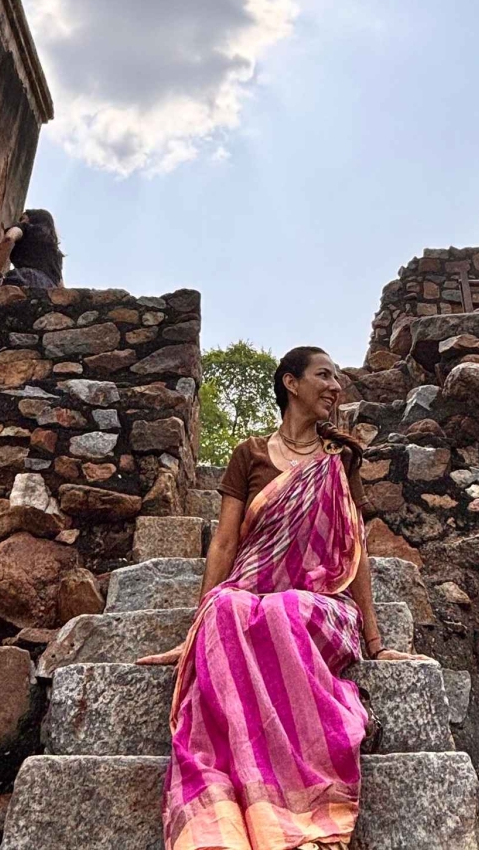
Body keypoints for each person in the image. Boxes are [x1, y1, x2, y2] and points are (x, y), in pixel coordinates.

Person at [137, 346, 426, 850]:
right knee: (227, 607)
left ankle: (302, 804)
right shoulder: (248, 455)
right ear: (291, 383)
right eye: (324, 375)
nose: (336, 386)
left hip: (318, 604)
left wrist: (376, 642)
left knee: (285, 609)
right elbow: (225, 543)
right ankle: (231, 809)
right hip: (250, 593)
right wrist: (196, 631)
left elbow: (354, 551)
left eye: (337, 377)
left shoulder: (339, 460)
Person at [0, 208, 63, 289]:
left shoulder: (25, 228)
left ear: (33, 219)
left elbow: (9, 238)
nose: (20, 221)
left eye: (22, 218)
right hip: (49, 288)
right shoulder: (56, 253)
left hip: (24, 278)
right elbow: (60, 285)